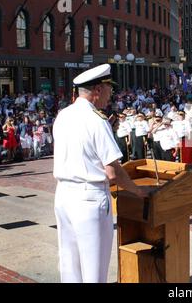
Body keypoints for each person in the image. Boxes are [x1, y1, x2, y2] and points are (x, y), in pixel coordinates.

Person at [53, 64, 150, 283]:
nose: (111, 94)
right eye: (108, 89)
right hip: (90, 198)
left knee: (70, 266)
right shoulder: (97, 121)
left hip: (64, 195)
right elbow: (113, 172)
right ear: (97, 90)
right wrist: (137, 191)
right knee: (94, 270)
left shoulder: (63, 115)